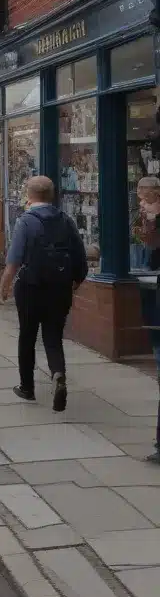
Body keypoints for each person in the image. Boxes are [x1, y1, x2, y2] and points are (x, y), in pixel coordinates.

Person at [0, 175, 88, 412]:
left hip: (30, 287)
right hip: (60, 288)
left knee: (27, 335)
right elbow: (80, 255)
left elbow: (14, 260)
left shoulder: (25, 222)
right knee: (53, 336)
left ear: (29, 195)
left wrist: (3, 287)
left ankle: (27, 387)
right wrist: (76, 281)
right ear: (51, 195)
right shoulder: (66, 220)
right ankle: (58, 373)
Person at [133, 177, 160, 462]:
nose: (140, 193)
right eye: (139, 189)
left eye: (145, 189)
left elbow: (151, 242)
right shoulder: (140, 212)